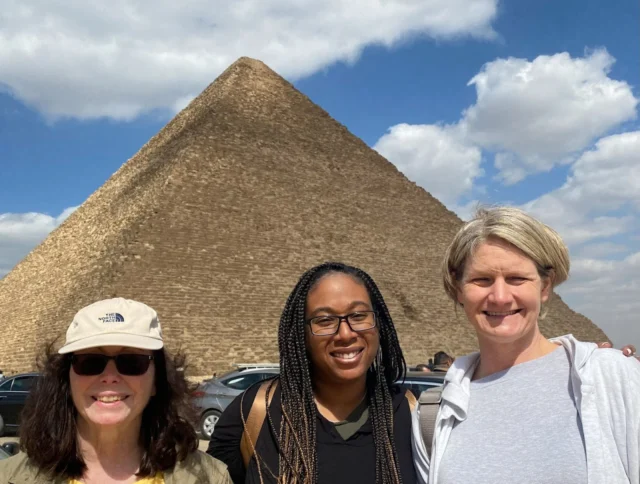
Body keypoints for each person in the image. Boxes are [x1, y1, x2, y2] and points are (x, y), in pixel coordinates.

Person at [412, 207, 640, 484]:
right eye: (481, 280)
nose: (499, 297)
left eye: (516, 278)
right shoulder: (432, 415)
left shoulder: (611, 376)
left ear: (545, 287)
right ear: (459, 289)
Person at [208, 262, 417, 484]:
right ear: (302, 334)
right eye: (325, 320)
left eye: (358, 315)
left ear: (378, 325)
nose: (345, 334)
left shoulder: (415, 415)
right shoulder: (255, 413)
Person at [0, 297, 232, 484]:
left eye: (132, 362)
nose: (110, 378)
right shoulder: (8, 477)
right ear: (66, 379)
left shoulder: (210, 477)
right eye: (89, 362)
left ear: (156, 382)